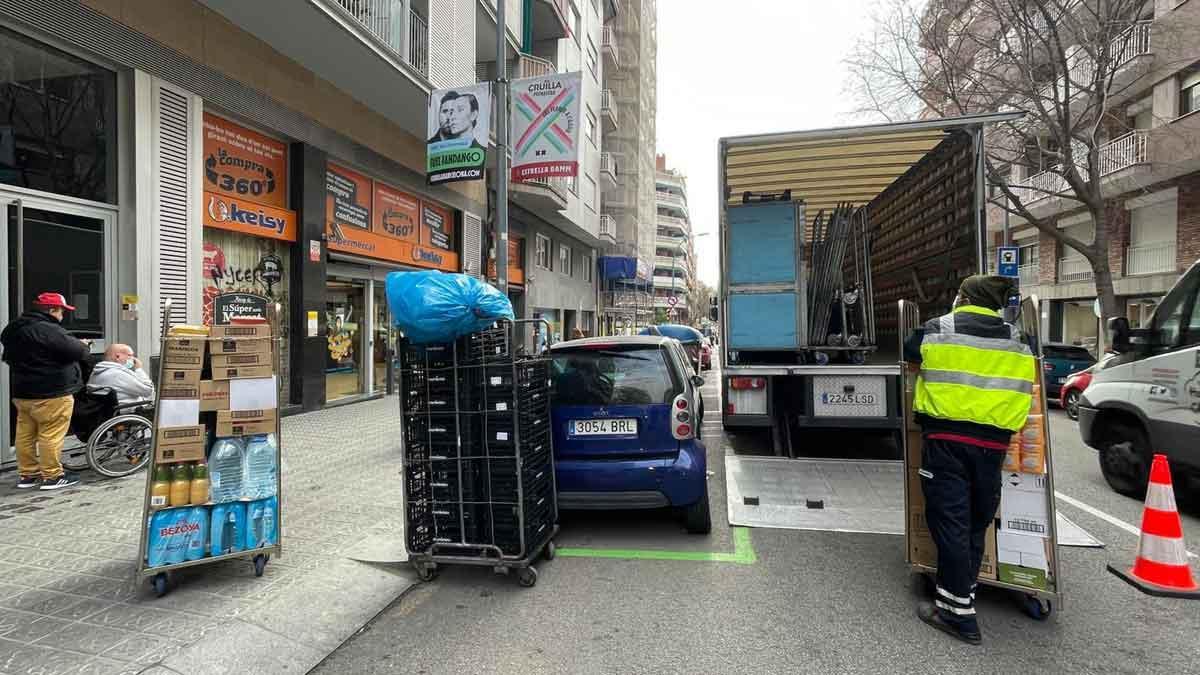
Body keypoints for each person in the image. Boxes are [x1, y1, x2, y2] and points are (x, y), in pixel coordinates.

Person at [903, 275, 1035, 645]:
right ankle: (962, 595)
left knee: (950, 522)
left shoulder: (938, 328)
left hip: (947, 440)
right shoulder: (1017, 339)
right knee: (976, 520)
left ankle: (958, 613)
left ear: (963, 297)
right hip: (993, 445)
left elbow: (911, 352)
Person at [0, 292, 92, 490]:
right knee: (51, 433)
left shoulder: (14, 329)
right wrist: (83, 345)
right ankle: (52, 476)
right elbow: (78, 352)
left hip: (22, 391)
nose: (62, 316)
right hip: (52, 391)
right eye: (61, 312)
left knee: (25, 434)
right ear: (52, 310)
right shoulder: (49, 330)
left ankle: (28, 474)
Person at [88, 343, 155, 405]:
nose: (133, 359)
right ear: (117, 356)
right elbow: (148, 390)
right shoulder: (117, 374)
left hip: (106, 411)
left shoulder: (96, 372)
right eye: (130, 355)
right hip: (128, 411)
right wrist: (139, 369)